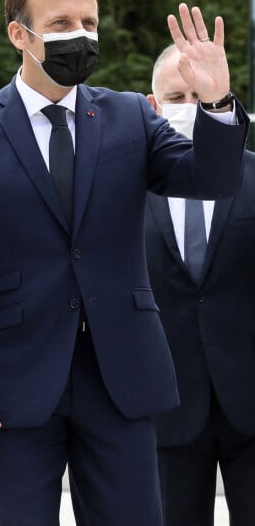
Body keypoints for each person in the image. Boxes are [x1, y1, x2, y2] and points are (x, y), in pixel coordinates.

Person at [0, 0, 250, 526]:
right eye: (61, 23)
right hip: (9, 386)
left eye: (89, 22)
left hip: (123, 379)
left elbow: (211, 181)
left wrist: (215, 104)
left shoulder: (131, 116)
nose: (81, 36)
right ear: (20, 34)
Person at [145, 44, 255, 526]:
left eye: (199, 93)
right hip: (165, 406)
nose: (189, 105)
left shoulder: (253, 175)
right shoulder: (123, 185)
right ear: (153, 105)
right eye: (176, 95)